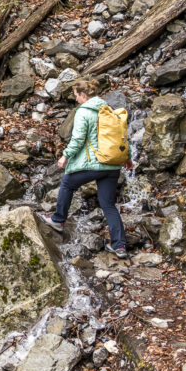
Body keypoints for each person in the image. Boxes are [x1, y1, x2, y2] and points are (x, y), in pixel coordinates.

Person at [41, 77, 132, 259]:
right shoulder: (108, 110)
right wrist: (127, 158)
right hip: (113, 164)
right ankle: (120, 246)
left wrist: (65, 155)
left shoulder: (84, 111)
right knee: (108, 204)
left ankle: (58, 220)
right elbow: (120, 137)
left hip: (95, 163)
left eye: (76, 95)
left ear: (83, 95)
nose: (75, 99)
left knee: (67, 183)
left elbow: (78, 139)